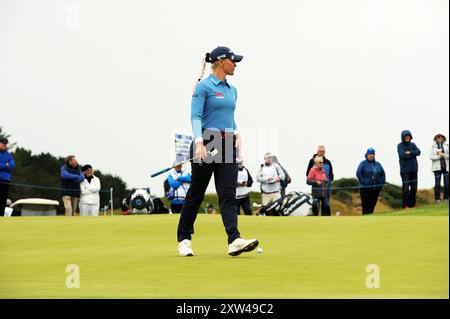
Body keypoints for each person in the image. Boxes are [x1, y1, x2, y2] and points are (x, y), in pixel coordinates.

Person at [177, 46, 259, 257]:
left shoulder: (233, 90)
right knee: (196, 193)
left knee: (228, 194)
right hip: (206, 142)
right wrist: (199, 141)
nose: (236, 65)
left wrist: (237, 133)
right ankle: (184, 239)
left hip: (227, 144)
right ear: (221, 62)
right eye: (233, 61)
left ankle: (234, 240)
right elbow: (196, 116)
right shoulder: (203, 87)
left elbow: (228, 117)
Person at [356, 148, 386, 214]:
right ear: (367, 155)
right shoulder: (363, 163)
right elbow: (358, 173)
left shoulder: (378, 164)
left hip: (375, 189)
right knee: (366, 207)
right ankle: (364, 221)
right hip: (365, 189)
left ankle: (370, 220)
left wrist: (380, 184)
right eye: (370, 154)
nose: (371, 155)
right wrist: (364, 183)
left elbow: (383, 174)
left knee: (372, 206)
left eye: (372, 154)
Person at [306, 145, 334, 215]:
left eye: (323, 151)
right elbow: (308, 175)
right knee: (316, 206)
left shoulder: (328, 162)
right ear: (317, 152)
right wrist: (315, 182)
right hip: (316, 189)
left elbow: (331, 174)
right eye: (320, 151)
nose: (322, 153)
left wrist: (329, 181)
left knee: (326, 206)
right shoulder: (312, 161)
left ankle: (326, 221)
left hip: (326, 188)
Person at [397, 130, 421, 208]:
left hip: (414, 170)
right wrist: (412, 153)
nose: (407, 137)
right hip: (405, 171)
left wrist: (410, 152)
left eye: (408, 136)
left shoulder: (413, 144)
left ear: (410, 137)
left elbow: (418, 152)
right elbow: (402, 155)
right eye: (405, 136)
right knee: (406, 189)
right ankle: (405, 205)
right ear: (403, 137)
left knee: (414, 189)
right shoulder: (400, 145)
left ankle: (412, 204)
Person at [430, 134, 449, 202]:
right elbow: (431, 157)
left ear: (443, 138)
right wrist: (439, 156)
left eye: (441, 137)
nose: (440, 138)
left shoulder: (447, 146)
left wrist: (444, 155)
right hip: (437, 168)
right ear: (436, 138)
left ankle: (446, 198)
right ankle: (437, 198)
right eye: (438, 137)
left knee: (447, 184)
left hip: (446, 167)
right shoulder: (433, 147)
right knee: (437, 184)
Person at [0, 137, 14, 217]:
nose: (5, 145)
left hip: (6, 180)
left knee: (3, 200)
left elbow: (11, 166)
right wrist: (6, 165)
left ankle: (1, 216)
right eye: (3, 143)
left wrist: (4, 166)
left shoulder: (9, 155)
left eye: (6, 143)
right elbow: (8, 165)